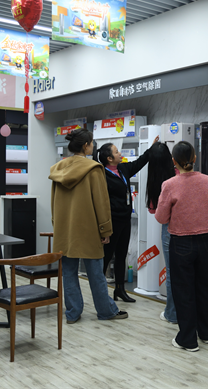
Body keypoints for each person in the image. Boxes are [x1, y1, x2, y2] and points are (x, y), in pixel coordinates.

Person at [49, 128, 128, 323]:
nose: (93, 146)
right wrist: (105, 229)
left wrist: (57, 225)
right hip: (89, 229)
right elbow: (101, 203)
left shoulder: (58, 169)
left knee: (68, 272)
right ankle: (106, 311)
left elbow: (54, 202)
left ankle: (72, 313)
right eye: (91, 143)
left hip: (64, 230)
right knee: (96, 273)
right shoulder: (94, 169)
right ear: (86, 146)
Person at [155, 141, 208, 352]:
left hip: (180, 242)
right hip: (205, 241)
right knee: (205, 287)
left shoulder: (169, 185)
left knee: (184, 290)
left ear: (174, 161)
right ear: (194, 158)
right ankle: (207, 333)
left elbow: (161, 217)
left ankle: (187, 339)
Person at [97, 136, 159, 302]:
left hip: (125, 219)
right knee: (106, 257)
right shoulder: (101, 175)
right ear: (109, 158)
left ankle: (120, 290)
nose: (120, 154)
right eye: (117, 152)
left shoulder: (123, 169)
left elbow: (140, 162)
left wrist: (152, 148)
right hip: (111, 221)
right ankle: (100, 293)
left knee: (121, 255)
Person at [145, 142, 178, 324]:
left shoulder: (155, 180)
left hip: (168, 228)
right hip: (189, 228)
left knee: (172, 272)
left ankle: (172, 313)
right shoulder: (179, 175)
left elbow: (154, 211)